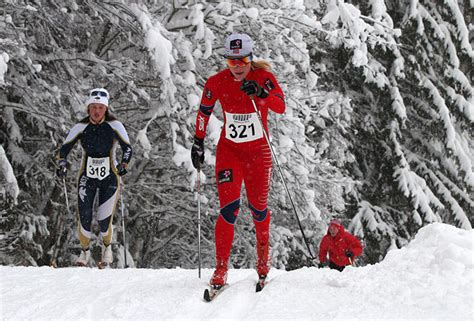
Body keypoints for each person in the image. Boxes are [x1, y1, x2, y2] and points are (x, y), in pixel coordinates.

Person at [191, 33, 286, 288]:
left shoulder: (263, 78)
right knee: (229, 209)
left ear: (251, 58)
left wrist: (261, 94)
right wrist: (198, 142)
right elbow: (203, 111)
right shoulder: (217, 82)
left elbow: (280, 105)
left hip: (258, 154)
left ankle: (263, 264)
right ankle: (221, 270)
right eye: (232, 62)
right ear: (227, 62)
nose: (238, 67)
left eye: (243, 60)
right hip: (229, 153)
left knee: (258, 209)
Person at [56, 88, 132, 267]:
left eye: (100, 107)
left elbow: (127, 148)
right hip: (87, 176)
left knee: (105, 219)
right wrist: (62, 164)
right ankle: (85, 252)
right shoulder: (81, 127)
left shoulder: (115, 125)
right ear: (88, 108)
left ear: (105, 109)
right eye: (93, 107)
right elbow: (64, 149)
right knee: (84, 215)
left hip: (110, 176)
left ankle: (107, 248)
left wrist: (124, 165)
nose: (97, 111)